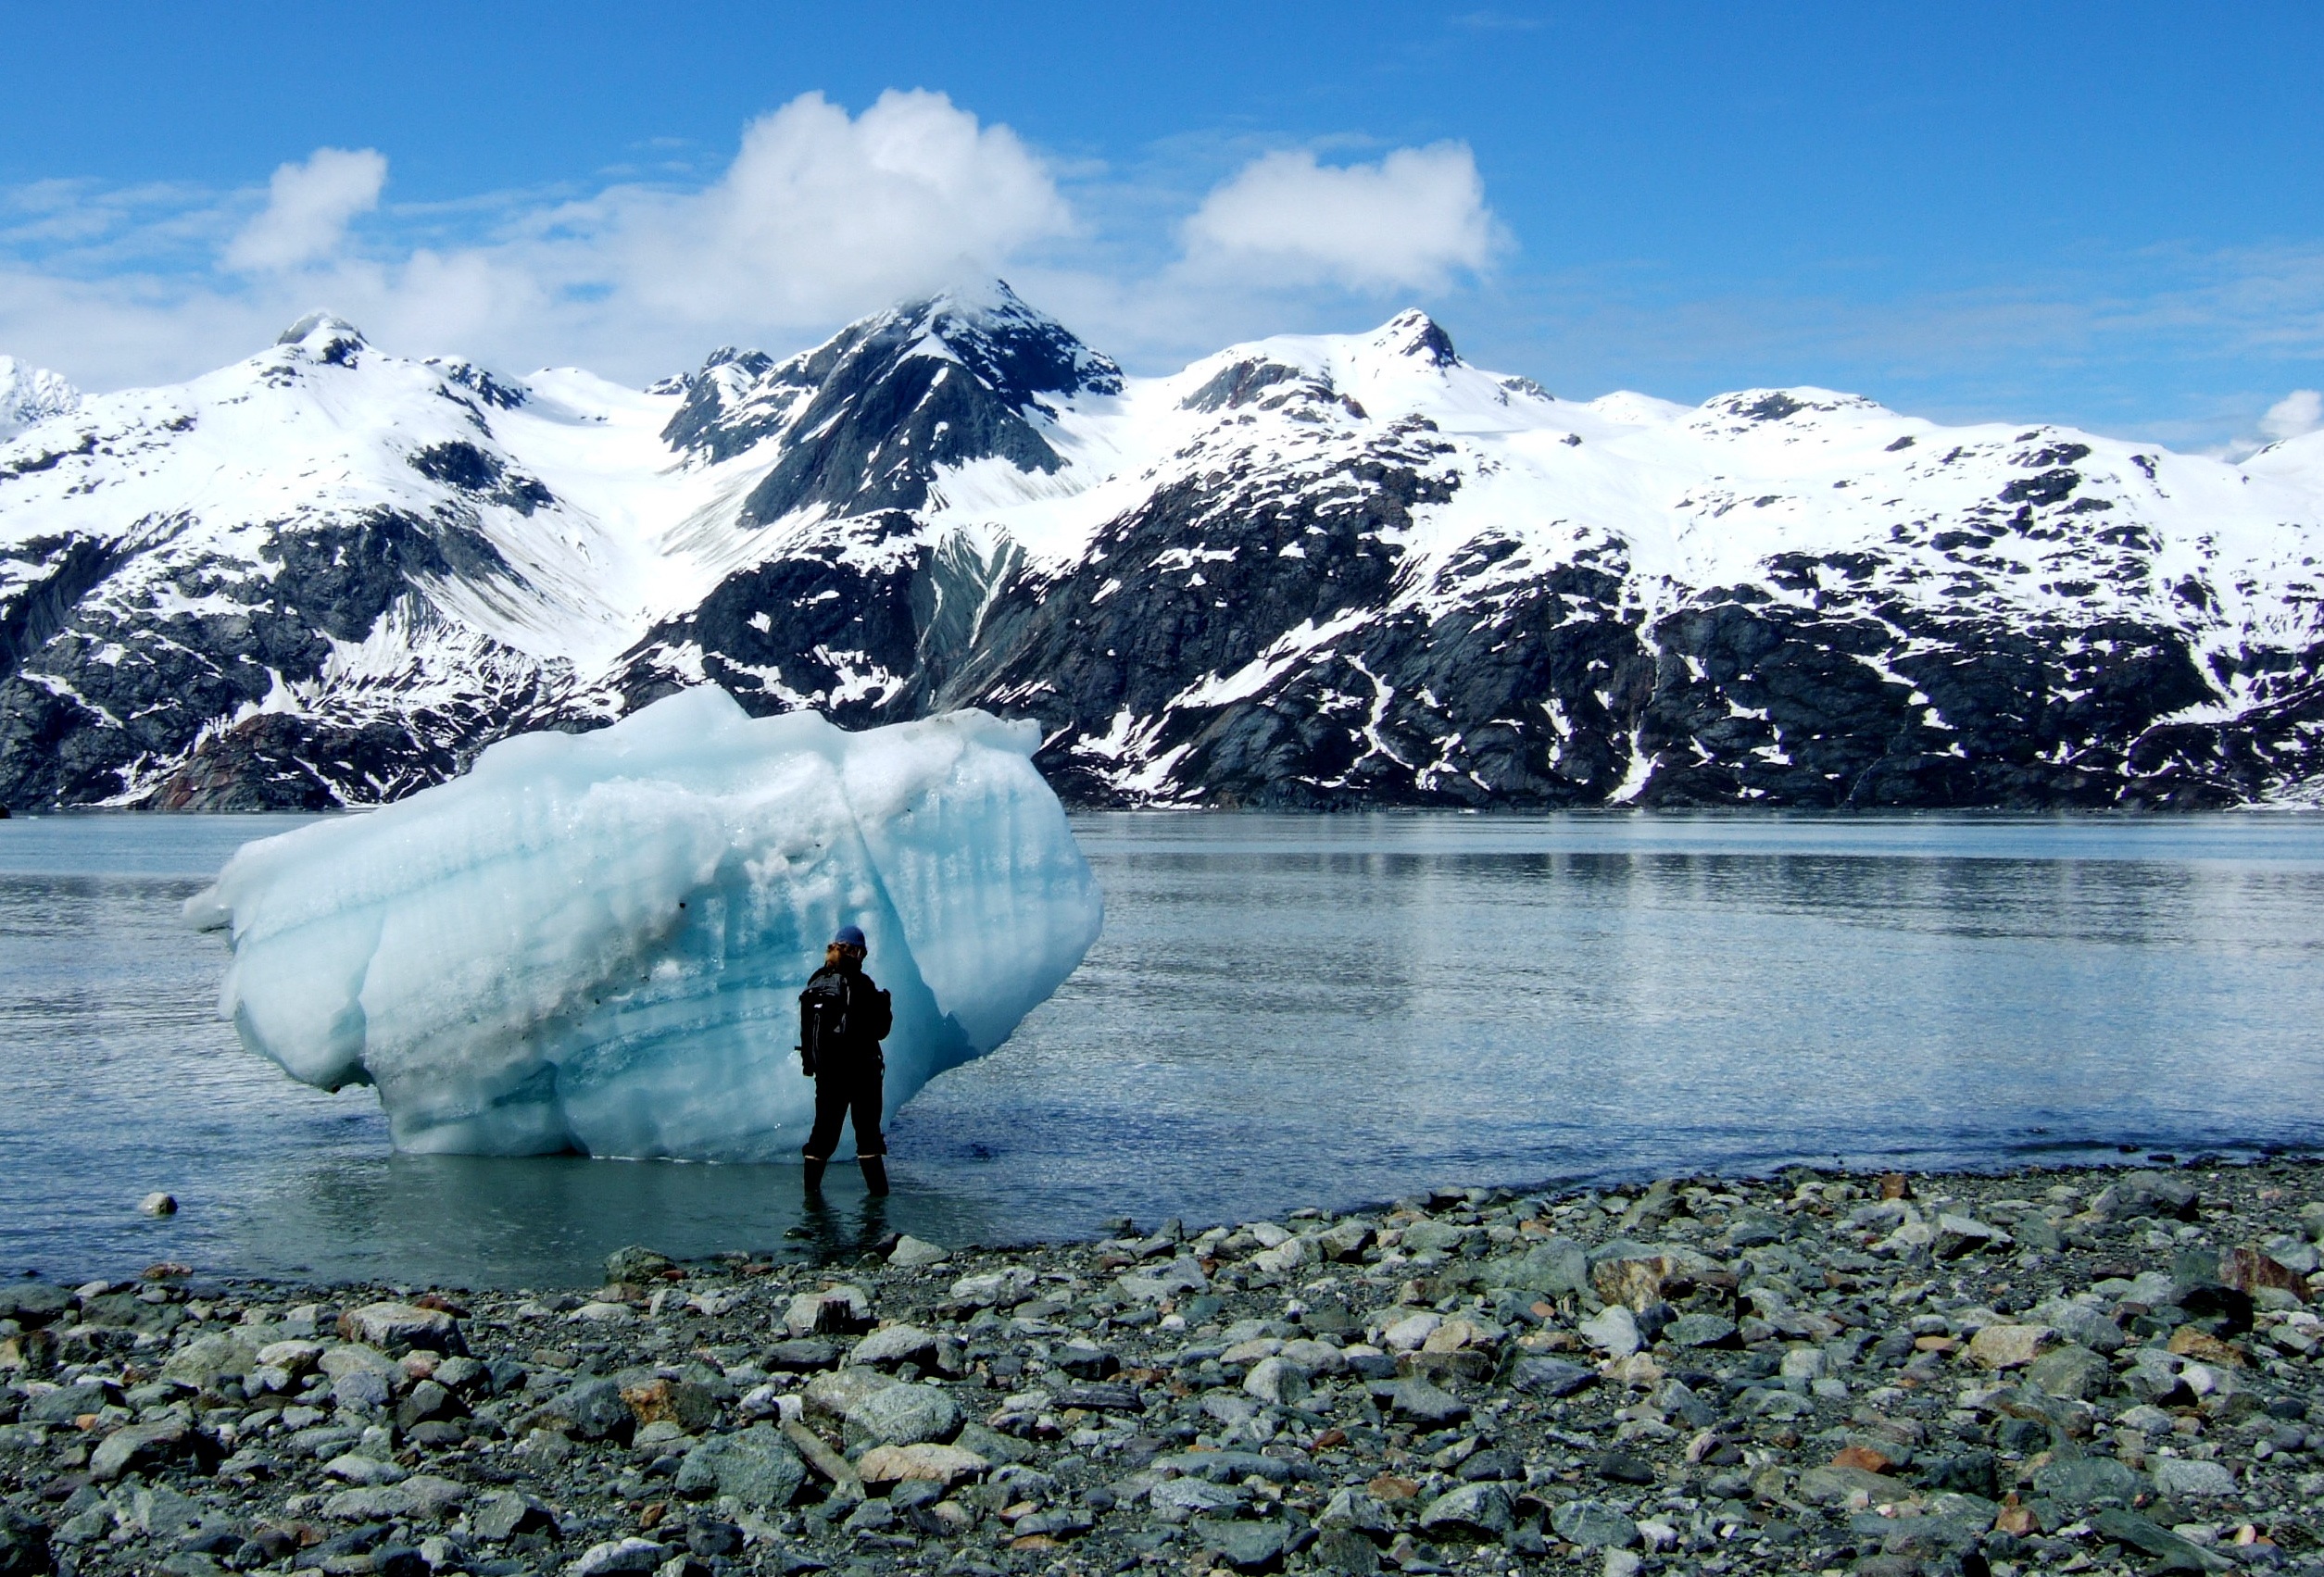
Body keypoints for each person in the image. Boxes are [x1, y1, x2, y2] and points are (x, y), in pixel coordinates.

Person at [797, 922, 893, 1196]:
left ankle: (811, 1198)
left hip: (827, 1073)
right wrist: (884, 1004)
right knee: (868, 1136)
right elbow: (880, 1030)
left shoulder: (817, 980)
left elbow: (808, 1028)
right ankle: (878, 1201)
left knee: (823, 1135)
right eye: (861, 952)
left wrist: (810, 1064)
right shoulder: (861, 983)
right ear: (856, 952)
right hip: (862, 1072)